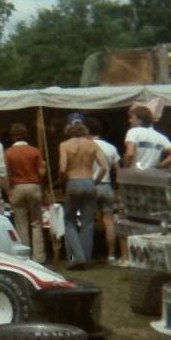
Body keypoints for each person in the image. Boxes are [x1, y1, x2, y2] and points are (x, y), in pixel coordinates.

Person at [59, 114, 107, 269]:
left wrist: (62, 180)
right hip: (89, 182)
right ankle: (85, 259)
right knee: (87, 223)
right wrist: (96, 181)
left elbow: (62, 168)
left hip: (73, 182)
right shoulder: (93, 145)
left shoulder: (65, 145)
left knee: (69, 221)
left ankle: (76, 257)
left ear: (69, 131)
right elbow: (104, 167)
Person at [4, 123, 46, 263]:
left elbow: (7, 174)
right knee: (36, 224)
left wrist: (9, 191)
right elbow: (41, 172)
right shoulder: (34, 151)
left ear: (12, 137)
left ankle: (25, 257)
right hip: (33, 186)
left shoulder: (8, 153)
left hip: (17, 187)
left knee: (21, 224)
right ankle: (39, 257)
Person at [85, 116, 121, 264]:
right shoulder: (110, 147)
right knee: (109, 221)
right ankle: (111, 255)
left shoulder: (84, 147)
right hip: (106, 186)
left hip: (90, 185)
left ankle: (88, 254)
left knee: (87, 222)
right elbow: (118, 170)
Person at [122, 105, 171, 169]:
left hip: (135, 174)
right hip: (152, 175)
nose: (129, 120)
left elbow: (130, 154)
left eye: (132, 118)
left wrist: (126, 169)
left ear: (139, 120)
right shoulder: (160, 136)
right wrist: (159, 166)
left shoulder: (133, 131)